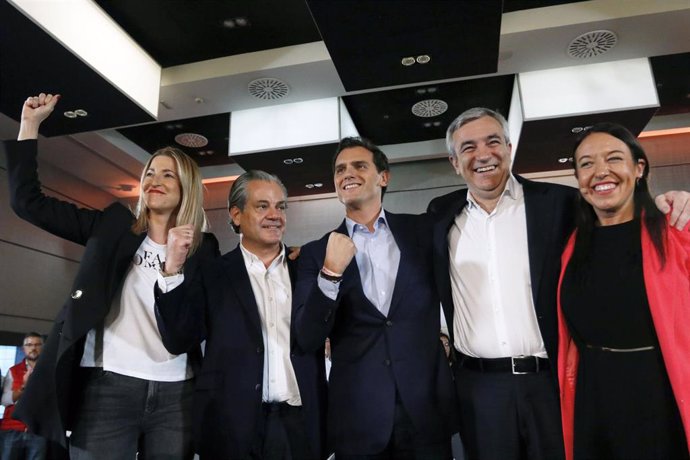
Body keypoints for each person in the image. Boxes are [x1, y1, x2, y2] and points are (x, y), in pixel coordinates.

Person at [427, 107, 690, 460]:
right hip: (479, 386)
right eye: (468, 147)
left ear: (508, 146)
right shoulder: (439, 215)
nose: (483, 154)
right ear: (455, 162)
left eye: (493, 141)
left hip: (549, 380)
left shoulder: (560, 204)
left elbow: (619, 221)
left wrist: (671, 202)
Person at [2, 93, 219, 459]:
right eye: (150, 172)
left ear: (187, 187)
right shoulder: (113, 226)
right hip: (108, 388)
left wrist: (173, 270)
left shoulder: (204, 248)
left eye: (168, 174)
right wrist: (30, 126)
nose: (155, 179)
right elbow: (28, 203)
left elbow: (185, 335)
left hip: (176, 394)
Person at [293, 137, 456, 459]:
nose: (347, 174)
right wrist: (330, 274)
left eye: (359, 166)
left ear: (383, 177)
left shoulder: (424, 231)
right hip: (357, 417)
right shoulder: (315, 253)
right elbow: (307, 336)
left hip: (425, 410)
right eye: (340, 169)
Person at [154, 170, 327, 459]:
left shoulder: (306, 268)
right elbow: (178, 339)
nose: (275, 215)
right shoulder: (212, 273)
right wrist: (172, 270)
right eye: (262, 206)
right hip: (230, 425)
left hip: (300, 424)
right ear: (236, 214)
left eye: (280, 206)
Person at [557, 122, 690, 460]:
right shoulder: (573, 245)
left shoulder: (676, 231)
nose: (600, 171)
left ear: (638, 168)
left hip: (661, 392)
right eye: (586, 163)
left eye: (614, 158)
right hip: (592, 393)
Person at [0, 333, 47, 460]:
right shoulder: (13, 370)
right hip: (12, 430)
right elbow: (5, 400)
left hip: (39, 431)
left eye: (37, 345)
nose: (33, 348)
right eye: (29, 345)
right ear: (23, 348)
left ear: (44, 347)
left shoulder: (50, 371)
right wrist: (24, 386)